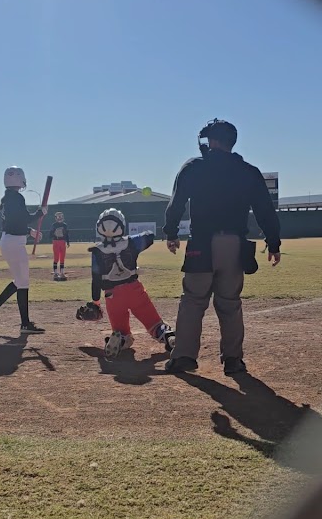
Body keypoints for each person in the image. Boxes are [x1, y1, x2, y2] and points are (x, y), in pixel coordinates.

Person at [163, 118, 281, 376]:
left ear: (212, 141)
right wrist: (273, 242)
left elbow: (177, 203)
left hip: (202, 243)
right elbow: (265, 211)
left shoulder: (194, 167)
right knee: (230, 303)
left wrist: (171, 233)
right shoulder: (248, 171)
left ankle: (184, 356)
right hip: (234, 245)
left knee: (193, 301)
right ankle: (233, 360)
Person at [75, 208, 173, 359]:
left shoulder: (97, 251)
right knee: (154, 324)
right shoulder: (131, 242)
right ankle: (167, 335)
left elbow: (96, 279)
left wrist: (96, 302)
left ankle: (119, 339)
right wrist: (131, 239)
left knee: (122, 332)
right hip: (134, 290)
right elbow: (150, 236)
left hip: (112, 295)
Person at [0, 167, 47, 334]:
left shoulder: (8, 199)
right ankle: (24, 324)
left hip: (10, 241)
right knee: (23, 282)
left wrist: (29, 231)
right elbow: (24, 218)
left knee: (20, 281)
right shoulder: (16, 197)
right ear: (20, 179)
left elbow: (15, 222)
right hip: (14, 243)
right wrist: (40, 213)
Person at [50, 211, 70, 281]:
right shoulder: (54, 225)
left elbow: (67, 234)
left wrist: (67, 242)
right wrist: (55, 233)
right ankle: (55, 273)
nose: (60, 218)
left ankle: (62, 272)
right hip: (56, 241)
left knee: (62, 257)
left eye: (61, 216)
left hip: (62, 241)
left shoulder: (64, 225)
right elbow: (50, 235)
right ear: (55, 218)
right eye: (58, 216)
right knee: (56, 258)